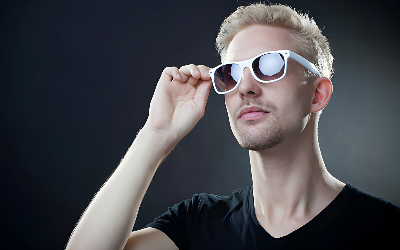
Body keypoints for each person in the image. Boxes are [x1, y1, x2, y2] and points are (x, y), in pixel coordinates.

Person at [66, 3, 400, 250]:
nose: (246, 87)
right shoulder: (198, 224)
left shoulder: (383, 228)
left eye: (270, 65)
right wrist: (155, 136)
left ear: (317, 94)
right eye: (232, 73)